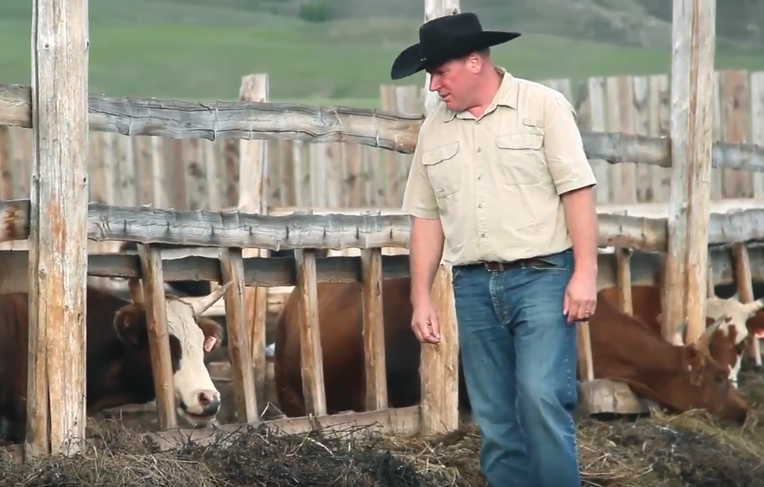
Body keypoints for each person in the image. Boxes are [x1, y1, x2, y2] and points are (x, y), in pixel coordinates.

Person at [392, 12, 599, 487]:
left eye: (440, 73)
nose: (434, 86)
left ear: (473, 61)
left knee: (542, 398)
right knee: (494, 416)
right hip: (472, 284)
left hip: (544, 276)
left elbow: (577, 192)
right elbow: (426, 217)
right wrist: (421, 296)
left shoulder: (543, 107)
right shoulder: (434, 129)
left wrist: (585, 272)